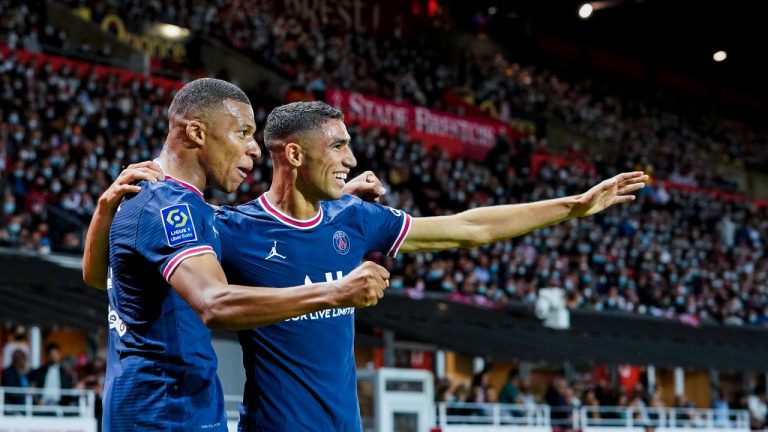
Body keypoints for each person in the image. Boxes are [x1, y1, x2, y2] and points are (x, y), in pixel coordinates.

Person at [86, 100, 647, 431]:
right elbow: (130, 271)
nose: (352, 158)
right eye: (338, 147)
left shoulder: (353, 221)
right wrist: (109, 210)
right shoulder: (230, 230)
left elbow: (468, 227)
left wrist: (572, 207)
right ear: (297, 155)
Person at [81, 79, 389, 431]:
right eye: (243, 132)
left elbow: (96, 276)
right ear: (197, 132)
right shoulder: (166, 206)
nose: (254, 149)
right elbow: (215, 304)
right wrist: (336, 292)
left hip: (189, 407)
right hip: (160, 415)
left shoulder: (172, 201)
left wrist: (326, 197)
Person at [30, 342, 75, 407]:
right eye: (52, 354)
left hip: (60, 406)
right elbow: (33, 387)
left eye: (56, 354)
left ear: (59, 354)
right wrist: (37, 400)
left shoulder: (66, 373)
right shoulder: (39, 372)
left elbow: (69, 390)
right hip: (42, 405)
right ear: (48, 355)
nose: (54, 356)